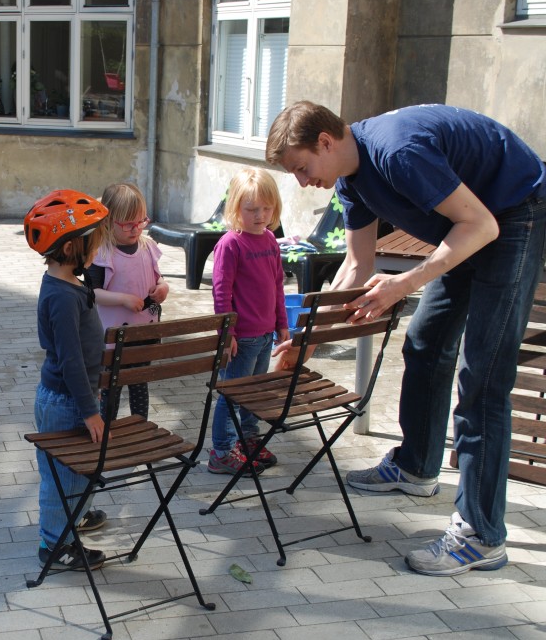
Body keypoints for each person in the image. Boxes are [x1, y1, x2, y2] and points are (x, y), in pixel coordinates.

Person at [266, 101, 546, 576]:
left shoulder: (397, 152)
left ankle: (482, 536)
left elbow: (483, 225)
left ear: (326, 142)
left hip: (514, 214)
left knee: (482, 378)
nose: (302, 181)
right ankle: (416, 467)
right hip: (469, 225)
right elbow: (357, 268)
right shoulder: (352, 182)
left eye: (302, 167)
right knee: (424, 343)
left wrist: (407, 283)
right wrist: (306, 344)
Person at [25, 189, 111, 571]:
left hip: (69, 397)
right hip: (67, 401)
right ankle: (55, 544)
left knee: (72, 471)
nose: (98, 251)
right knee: (63, 476)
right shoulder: (62, 296)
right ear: (74, 247)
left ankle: (74, 516)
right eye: (94, 244)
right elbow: (71, 361)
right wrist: (90, 410)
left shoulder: (69, 283)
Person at [207, 167, 289, 475]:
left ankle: (248, 440)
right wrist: (225, 333)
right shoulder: (231, 244)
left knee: (253, 393)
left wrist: (282, 323)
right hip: (242, 338)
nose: (260, 215)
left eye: (266, 208)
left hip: (265, 334)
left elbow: (277, 285)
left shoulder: (269, 240)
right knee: (231, 394)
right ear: (236, 208)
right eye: (252, 209)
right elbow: (221, 292)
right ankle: (222, 451)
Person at [86, 182, 168, 419]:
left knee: (140, 384)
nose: (135, 229)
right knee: (111, 388)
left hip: (144, 334)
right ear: (109, 222)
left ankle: (139, 427)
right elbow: (92, 293)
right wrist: (122, 299)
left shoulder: (147, 247)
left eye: (141, 222)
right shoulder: (102, 253)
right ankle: (108, 431)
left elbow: (157, 276)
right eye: (128, 224)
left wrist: (163, 287)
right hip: (114, 340)